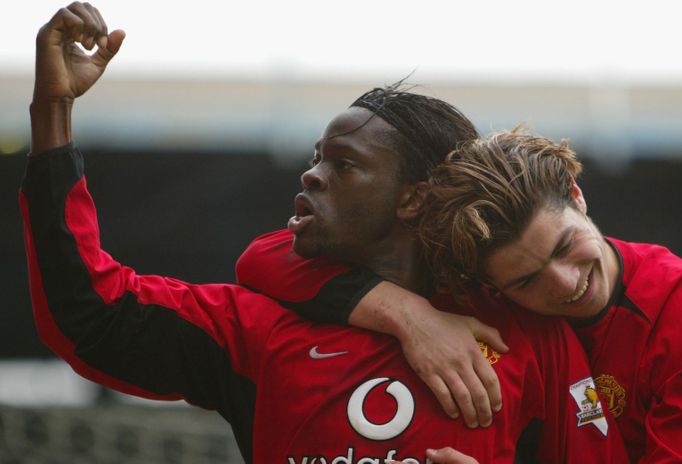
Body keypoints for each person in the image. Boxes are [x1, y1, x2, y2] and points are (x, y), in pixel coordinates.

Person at [22, 3, 628, 463]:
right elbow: (89, 313)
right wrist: (52, 111)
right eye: (317, 157)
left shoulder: (528, 335)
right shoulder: (252, 326)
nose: (312, 174)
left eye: (344, 164)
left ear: (414, 198)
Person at [241, 128, 682, 462]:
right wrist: (407, 314)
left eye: (566, 246)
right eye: (526, 281)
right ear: (489, 283)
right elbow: (265, 257)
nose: (565, 284)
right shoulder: (478, 296)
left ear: (577, 195)